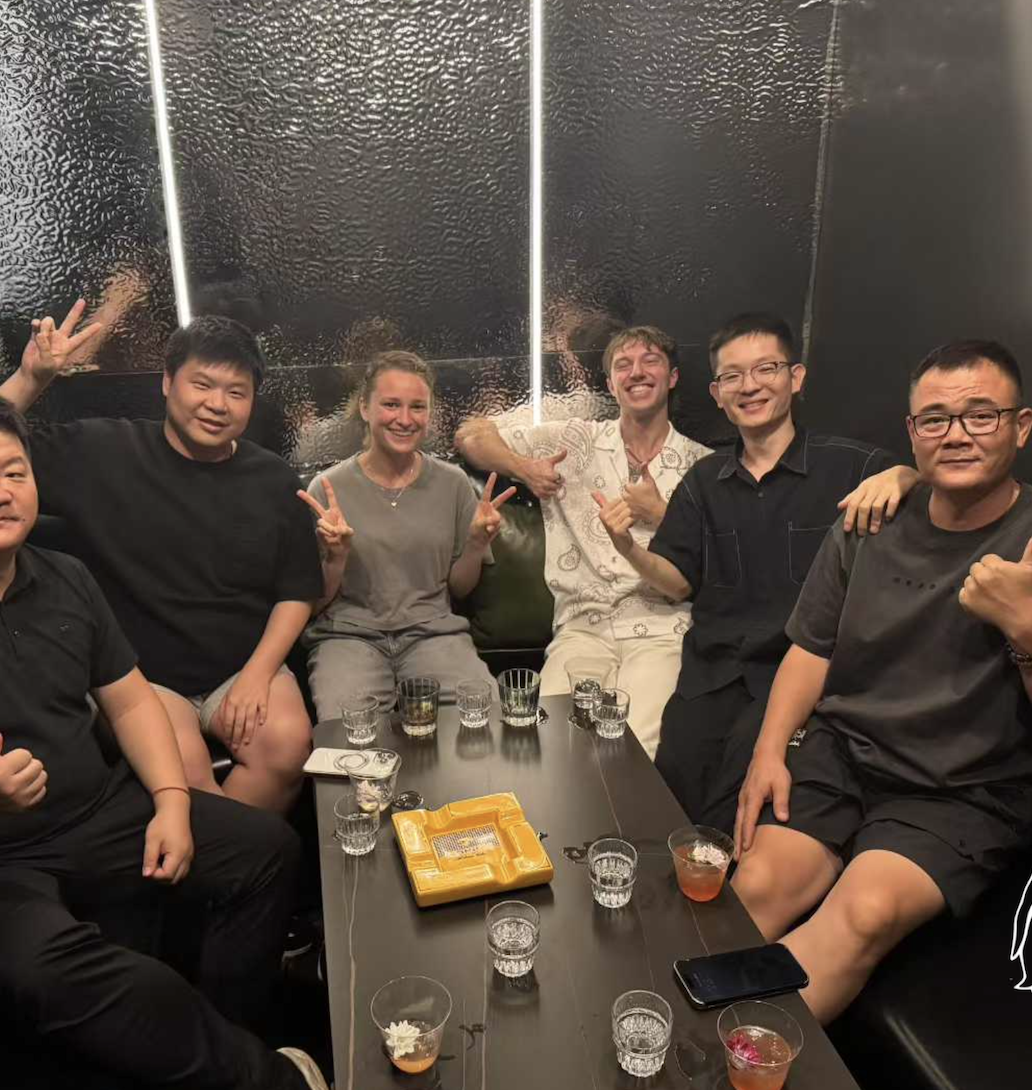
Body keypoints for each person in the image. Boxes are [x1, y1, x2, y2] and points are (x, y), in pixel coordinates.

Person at [0, 393, 327, 1089]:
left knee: (265, 849)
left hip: (94, 815)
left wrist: (171, 801)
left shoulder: (66, 577)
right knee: (63, 969)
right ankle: (269, 1080)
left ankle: (217, 1051)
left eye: (13, 473)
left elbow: (130, 699)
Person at [728, 341, 1032, 1024]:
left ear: (1021, 426)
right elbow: (812, 646)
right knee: (758, 885)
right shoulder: (871, 516)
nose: (956, 435)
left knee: (863, 913)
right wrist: (768, 754)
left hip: (964, 791)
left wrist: (1029, 629)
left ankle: (733, 1059)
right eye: (935, 419)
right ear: (912, 431)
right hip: (842, 753)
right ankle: (664, 1039)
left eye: (981, 415)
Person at [594, 313, 918, 823]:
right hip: (712, 674)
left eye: (766, 369)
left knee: (732, 804)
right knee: (667, 794)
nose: (749, 386)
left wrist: (903, 476)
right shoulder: (703, 481)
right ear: (717, 394)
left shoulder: (849, 465)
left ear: (796, 377)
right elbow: (677, 582)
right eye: (732, 376)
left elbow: (930, 484)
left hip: (799, 675)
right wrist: (628, 548)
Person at [0, 308, 321, 811]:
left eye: (236, 392)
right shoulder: (101, 452)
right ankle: (244, 852)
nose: (217, 405)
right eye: (202, 385)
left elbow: (297, 591)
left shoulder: (273, 479)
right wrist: (30, 377)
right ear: (168, 382)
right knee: (183, 774)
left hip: (243, 667)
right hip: (141, 677)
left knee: (286, 746)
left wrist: (258, 675)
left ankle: (236, 851)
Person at [454, 325, 712, 757]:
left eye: (650, 361)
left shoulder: (702, 465)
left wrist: (661, 514)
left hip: (660, 631)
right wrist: (524, 467)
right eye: (623, 365)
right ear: (610, 384)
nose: (636, 372)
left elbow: (715, 559)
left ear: (672, 377)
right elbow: (470, 435)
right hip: (582, 627)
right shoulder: (574, 440)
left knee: (637, 747)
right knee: (551, 743)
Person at [300, 351, 510, 722]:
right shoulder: (327, 488)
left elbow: (459, 589)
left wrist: (477, 544)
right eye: (391, 404)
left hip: (433, 634)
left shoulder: (453, 484)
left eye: (417, 407)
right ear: (365, 408)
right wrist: (336, 557)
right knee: (348, 736)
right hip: (349, 638)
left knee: (485, 720)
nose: (405, 419)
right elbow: (313, 605)